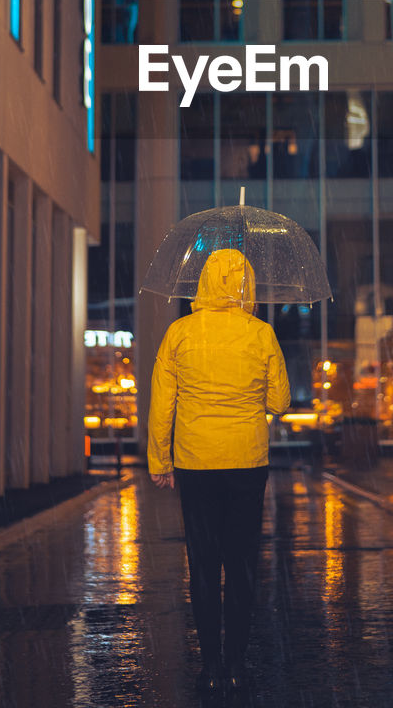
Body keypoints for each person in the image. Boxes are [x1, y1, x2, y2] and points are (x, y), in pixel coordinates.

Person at [147, 247, 290, 695]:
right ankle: (236, 665)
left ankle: (209, 666)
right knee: (242, 564)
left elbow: (161, 406)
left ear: (204, 282)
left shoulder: (179, 333)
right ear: (247, 284)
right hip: (246, 463)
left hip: (195, 463)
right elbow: (279, 402)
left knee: (203, 565)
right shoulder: (261, 334)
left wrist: (160, 460)